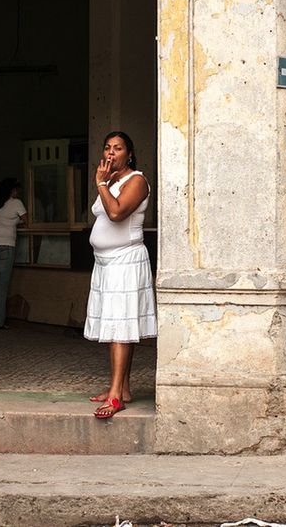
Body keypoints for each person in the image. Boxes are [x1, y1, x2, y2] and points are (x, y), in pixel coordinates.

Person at [84, 131, 156, 419]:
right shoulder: (111, 181)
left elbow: (116, 214)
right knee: (117, 324)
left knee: (120, 326)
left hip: (125, 261)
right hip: (105, 263)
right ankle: (122, 387)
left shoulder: (136, 181)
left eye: (118, 148)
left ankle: (115, 397)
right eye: (107, 147)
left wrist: (101, 184)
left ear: (130, 154)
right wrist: (105, 183)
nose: (111, 153)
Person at [0, 177, 27, 329]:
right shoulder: (16, 203)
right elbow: (27, 221)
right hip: (6, 246)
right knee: (2, 286)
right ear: (12, 190)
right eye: (16, 189)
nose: (17, 192)